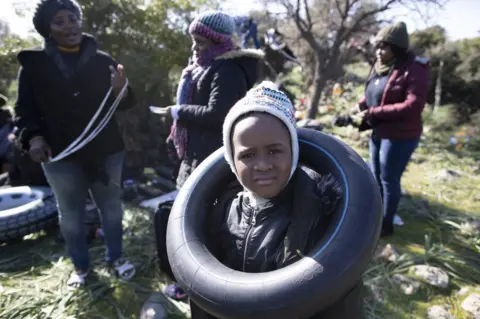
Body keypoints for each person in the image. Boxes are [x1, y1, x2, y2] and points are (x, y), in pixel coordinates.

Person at [186, 81, 365, 318]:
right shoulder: (223, 210)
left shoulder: (324, 211)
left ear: (293, 150)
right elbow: (204, 287)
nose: (262, 165)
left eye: (274, 151)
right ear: (231, 160)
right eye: (248, 155)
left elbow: (341, 303)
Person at [14, 0, 136, 290]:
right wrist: (34, 137)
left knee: (112, 209)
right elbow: (24, 111)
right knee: (71, 215)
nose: (70, 26)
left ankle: (116, 258)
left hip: (106, 152)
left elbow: (126, 103)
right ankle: (81, 267)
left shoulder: (102, 59)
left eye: (73, 18)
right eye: (60, 21)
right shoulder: (33, 65)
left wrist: (122, 89)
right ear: (47, 28)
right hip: (60, 155)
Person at [152, 10, 264, 300]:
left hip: (211, 159)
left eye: (199, 41)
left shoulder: (225, 71)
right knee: (189, 217)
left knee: (199, 221)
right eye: (193, 40)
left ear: (216, 41)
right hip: (195, 155)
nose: (194, 47)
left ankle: (203, 284)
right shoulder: (201, 67)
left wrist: (179, 113)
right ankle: (198, 281)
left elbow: (218, 114)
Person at [350, 22, 429, 237]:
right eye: (377, 46)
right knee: (374, 174)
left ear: (398, 49)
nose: (378, 51)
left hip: (400, 135)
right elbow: (374, 90)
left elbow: (414, 105)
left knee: (388, 178)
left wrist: (375, 112)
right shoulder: (380, 65)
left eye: (384, 47)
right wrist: (361, 105)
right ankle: (375, 215)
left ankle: (386, 224)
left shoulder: (414, 70)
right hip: (379, 130)